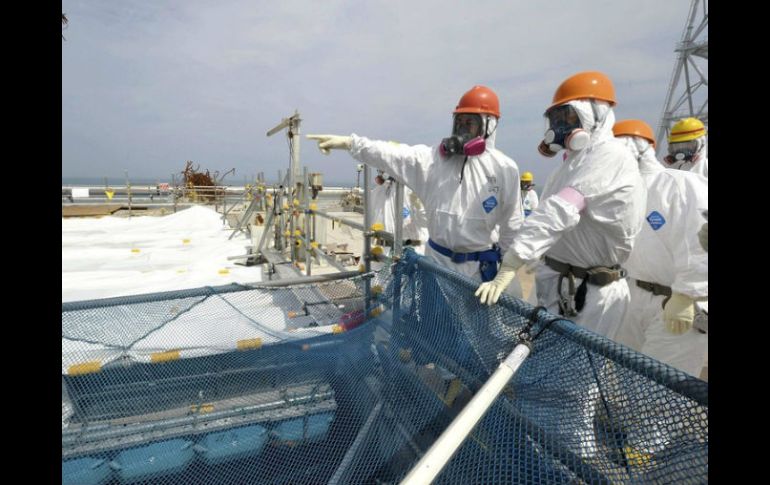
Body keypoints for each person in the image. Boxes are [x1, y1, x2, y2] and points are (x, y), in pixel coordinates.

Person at [473, 71, 646, 459]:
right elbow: (548, 222)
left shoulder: (609, 157)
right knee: (549, 383)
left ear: (594, 115)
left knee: (571, 391)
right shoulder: (573, 163)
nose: (559, 129)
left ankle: (570, 466)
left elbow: (558, 213)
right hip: (565, 287)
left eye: (567, 119)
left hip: (591, 292)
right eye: (556, 121)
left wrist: (510, 265)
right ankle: (544, 455)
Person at [307, 85, 524, 283]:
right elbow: (391, 153)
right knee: (435, 324)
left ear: (489, 126)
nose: (462, 130)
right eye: (459, 123)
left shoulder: (504, 169)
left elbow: (512, 226)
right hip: (437, 267)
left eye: (470, 123)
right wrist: (351, 143)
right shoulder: (433, 161)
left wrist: (506, 270)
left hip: (479, 271)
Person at [612, 119, 708, 377]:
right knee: (627, 374)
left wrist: (687, 295)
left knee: (662, 385)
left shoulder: (680, 184)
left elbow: (700, 243)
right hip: (633, 296)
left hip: (675, 302)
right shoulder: (623, 193)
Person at [369, 170, 429, 256]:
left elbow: (427, 221)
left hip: (409, 255)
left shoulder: (412, 191)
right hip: (381, 255)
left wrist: (419, 204)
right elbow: (371, 224)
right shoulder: (377, 193)